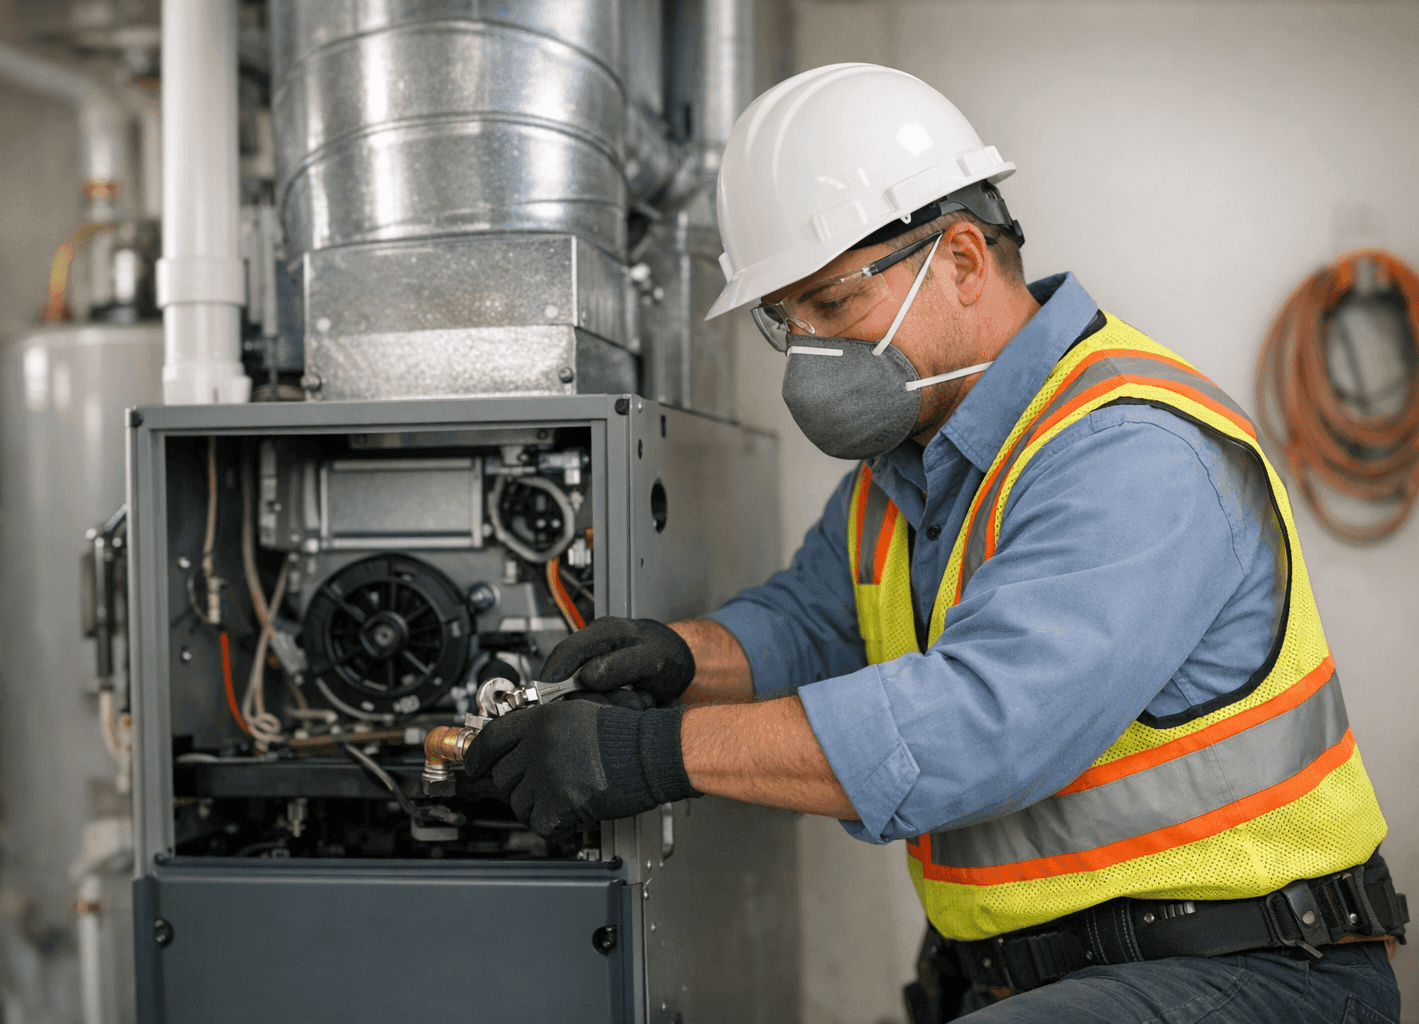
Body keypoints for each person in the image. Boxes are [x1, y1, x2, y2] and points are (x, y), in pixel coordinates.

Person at [463, 63, 1407, 1022]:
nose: (811, 357)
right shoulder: (905, 470)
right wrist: (675, 658)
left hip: (1256, 972)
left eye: (831, 307)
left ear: (960, 259)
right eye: (786, 322)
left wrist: (646, 754)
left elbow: (979, 725)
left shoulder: (1129, 447)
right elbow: (811, 624)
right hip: (1041, 975)